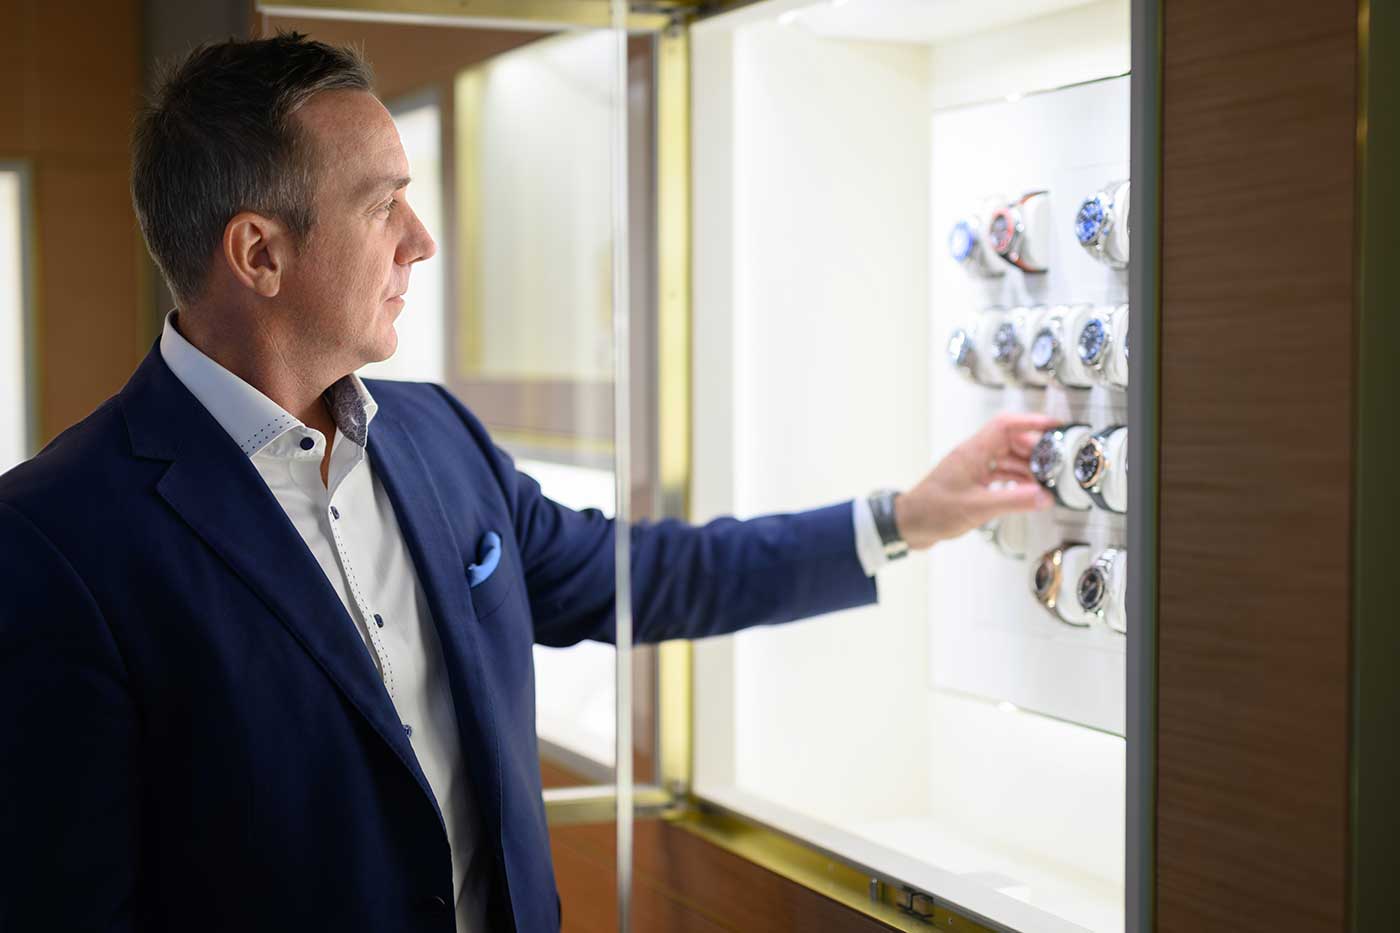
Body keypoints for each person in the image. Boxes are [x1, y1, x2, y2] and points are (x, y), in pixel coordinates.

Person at [0, 33, 1054, 933]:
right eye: (384, 207)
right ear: (259, 254)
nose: (419, 240)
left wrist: (905, 518)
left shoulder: (436, 437)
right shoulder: (56, 538)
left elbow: (644, 575)